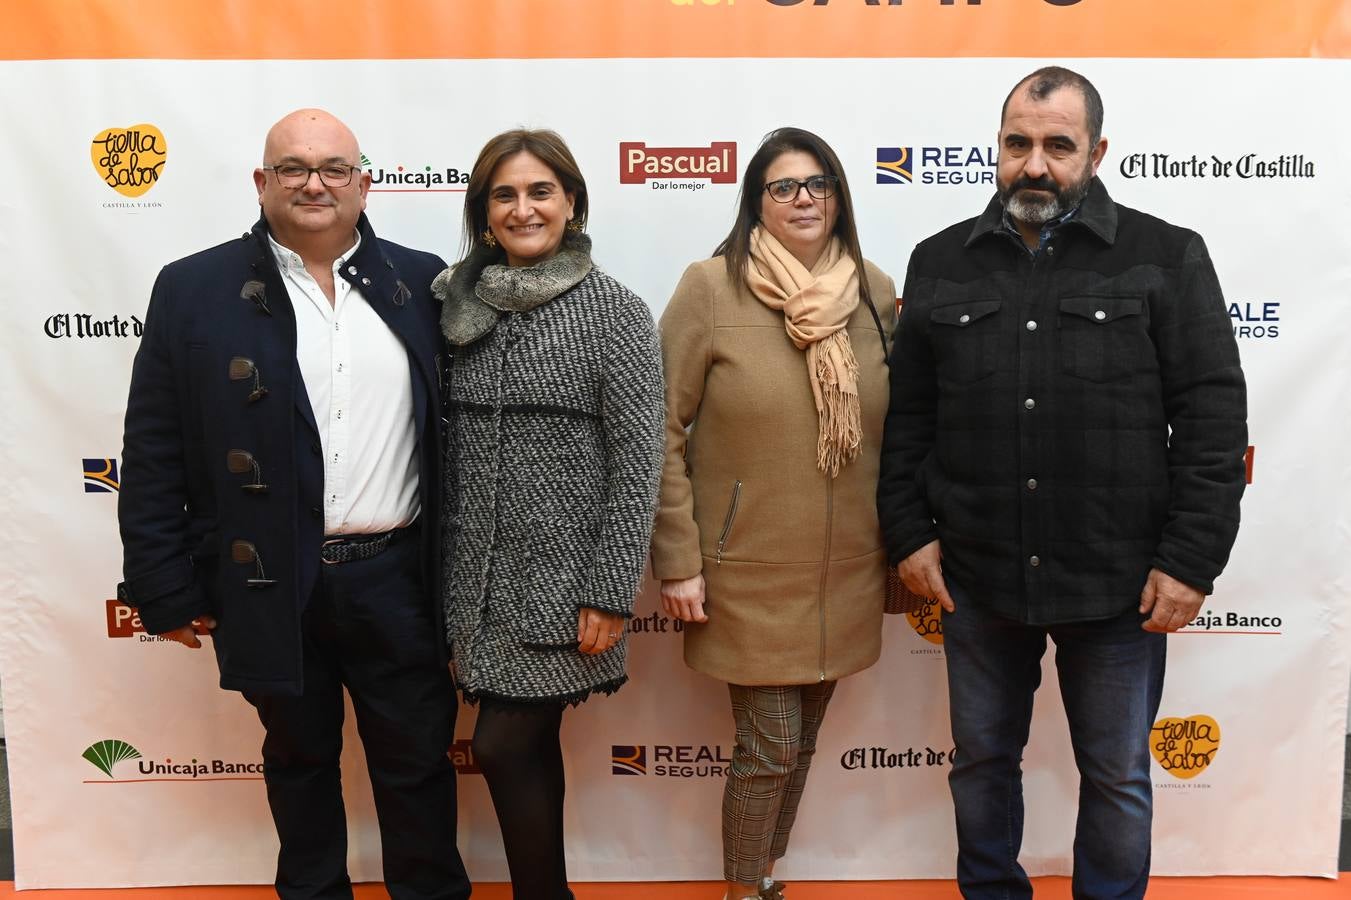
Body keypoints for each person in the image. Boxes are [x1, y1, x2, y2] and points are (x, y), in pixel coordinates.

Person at [878, 67, 1247, 899]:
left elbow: (1212, 417)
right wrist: (907, 533)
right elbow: (906, 421)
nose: (1033, 165)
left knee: (1116, 776)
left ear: (1096, 152)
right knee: (979, 764)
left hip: (1120, 584)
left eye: (1056, 145)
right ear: (997, 147)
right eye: (1017, 143)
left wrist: (1189, 561)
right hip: (977, 577)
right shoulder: (939, 262)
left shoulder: (1167, 255)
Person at [117, 109, 469, 900]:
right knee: (299, 763)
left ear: (364, 180)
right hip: (268, 577)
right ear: (262, 181)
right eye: (293, 168)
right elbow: (154, 449)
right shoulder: (193, 288)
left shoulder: (424, 282)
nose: (315, 183)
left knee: (417, 766)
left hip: (397, 578)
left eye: (334, 167)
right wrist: (162, 584)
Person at [651, 127, 896, 900]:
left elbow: (903, 429)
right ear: (755, 200)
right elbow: (658, 426)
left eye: (818, 184)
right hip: (746, 574)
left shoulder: (875, 292)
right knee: (769, 748)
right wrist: (679, 558)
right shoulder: (709, 287)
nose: (803, 199)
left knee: (804, 743)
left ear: (839, 196)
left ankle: (762, 875)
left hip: (848, 570)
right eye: (783, 186)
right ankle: (741, 890)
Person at [435, 128, 665, 900]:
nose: (523, 208)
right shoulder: (452, 306)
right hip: (473, 582)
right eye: (504, 194)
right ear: (482, 211)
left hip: (564, 587)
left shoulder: (617, 313)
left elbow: (639, 463)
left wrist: (609, 589)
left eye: (540, 191)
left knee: (501, 746)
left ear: (571, 202)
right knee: (525, 750)